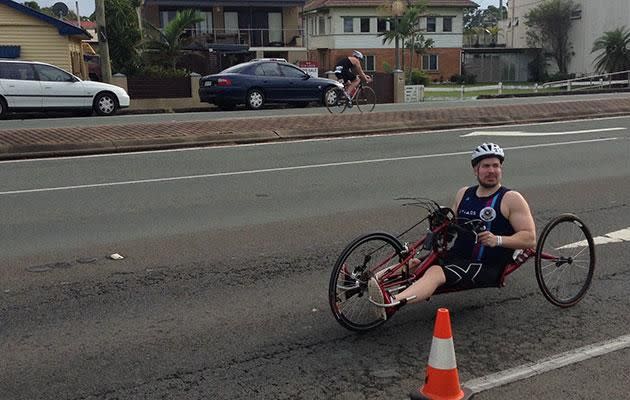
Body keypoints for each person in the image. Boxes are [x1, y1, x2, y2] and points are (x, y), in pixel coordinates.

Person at [368, 142, 537, 320]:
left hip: (487, 264)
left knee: (434, 273)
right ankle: (367, 282)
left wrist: (498, 240)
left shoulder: (510, 198)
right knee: (414, 262)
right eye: (486, 166)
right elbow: (452, 225)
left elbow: (530, 238)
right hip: (457, 255)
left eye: (496, 166)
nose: (491, 171)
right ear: (476, 170)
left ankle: (393, 303)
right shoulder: (464, 193)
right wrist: (439, 224)